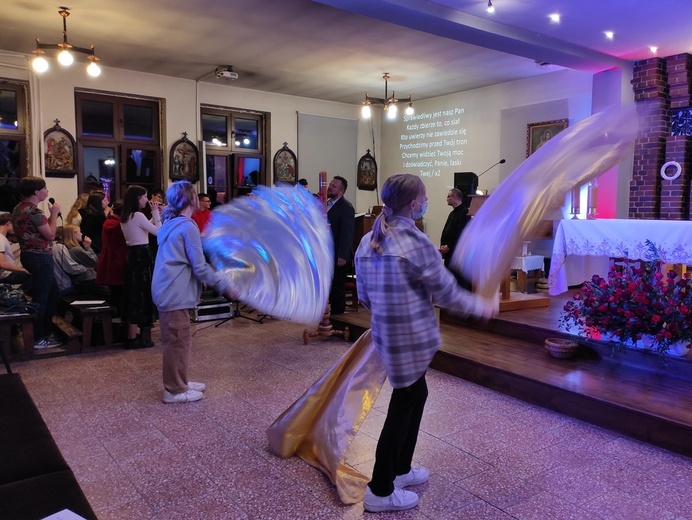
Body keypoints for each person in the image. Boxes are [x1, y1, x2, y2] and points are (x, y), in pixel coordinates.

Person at [355, 173, 497, 513]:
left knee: (415, 394)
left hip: (387, 333)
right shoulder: (416, 243)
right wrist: (482, 305)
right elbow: (446, 292)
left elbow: (363, 296)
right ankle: (380, 489)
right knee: (405, 402)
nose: (426, 202)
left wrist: (387, 314)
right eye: (423, 197)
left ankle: (401, 470)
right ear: (415, 203)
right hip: (411, 337)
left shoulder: (367, 242)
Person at [152, 181, 233, 404]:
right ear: (191, 199)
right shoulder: (187, 226)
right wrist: (224, 286)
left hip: (169, 289)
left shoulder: (173, 223)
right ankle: (174, 390)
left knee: (180, 341)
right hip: (173, 292)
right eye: (196, 195)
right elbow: (199, 266)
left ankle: (181, 381)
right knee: (177, 342)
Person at [11, 176, 62, 348]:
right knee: (42, 297)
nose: (47, 191)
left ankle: (45, 332)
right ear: (36, 192)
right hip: (40, 256)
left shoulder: (18, 208)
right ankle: (38, 338)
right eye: (45, 188)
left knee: (53, 293)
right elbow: (51, 235)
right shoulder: (34, 211)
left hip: (29, 255)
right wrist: (53, 214)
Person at [121, 185, 161, 348]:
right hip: (141, 256)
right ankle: (132, 336)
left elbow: (143, 228)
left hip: (133, 256)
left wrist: (153, 216)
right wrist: (156, 213)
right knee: (140, 294)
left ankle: (132, 333)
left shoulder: (127, 215)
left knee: (134, 293)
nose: (147, 199)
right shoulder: (137, 215)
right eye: (144, 197)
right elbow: (159, 232)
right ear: (138, 198)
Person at [53, 225, 110, 300]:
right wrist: (88, 247)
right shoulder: (75, 249)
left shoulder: (69, 248)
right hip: (87, 279)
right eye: (79, 232)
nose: (81, 234)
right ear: (74, 234)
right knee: (108, 295)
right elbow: (94, 261)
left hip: (83, 280)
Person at [326, 175, 355, 315]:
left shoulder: (346, 208)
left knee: (337, 286)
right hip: (326, 252)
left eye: (334, 186)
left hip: (338, 254)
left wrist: (342, 255)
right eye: (330, 184)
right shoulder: (327, 204)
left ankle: (338, 319)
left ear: (341, 192)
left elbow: (346, 233)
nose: (330, 187)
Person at [96, 202, 127, 318]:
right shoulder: (119, 224)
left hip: (110, 259)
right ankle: (116, 324)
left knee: (115, 293)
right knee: (119, 294)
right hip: (117, 259)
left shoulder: (109, 221)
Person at [439, 188, 471, 269]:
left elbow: (461, 231)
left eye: (449, 196)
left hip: (456, 253)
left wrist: (449, 246)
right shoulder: (452, 213)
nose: (447, 199)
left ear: (456, 197)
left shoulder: (465, 212)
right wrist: (443, 246)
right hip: (449, 252)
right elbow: (447, 230)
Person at [0, 213, 30, 285]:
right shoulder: (1, 239)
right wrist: (23, 270)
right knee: (39, 272)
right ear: (8, 223)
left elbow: (8, 258)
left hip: (6, 273)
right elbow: (2, 264)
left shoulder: (3, 238)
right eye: (15, 225)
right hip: (5, 275)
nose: (16, 228)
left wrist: (23, 248)